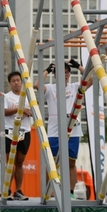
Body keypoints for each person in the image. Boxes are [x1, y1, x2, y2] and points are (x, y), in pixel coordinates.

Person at [34, 59, 86, 196]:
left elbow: (91, 79)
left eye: (67, 72)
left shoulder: (75, 87)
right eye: (61, 72)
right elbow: (37, 85)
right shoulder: (50, 88)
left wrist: (77, 65)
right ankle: (49, 192)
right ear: (55, 74)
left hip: (73, 130)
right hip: (54, 131)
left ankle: (70, 192)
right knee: (51, 163)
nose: (65, 75)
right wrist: (47, 70)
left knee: (71, 163)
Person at [3, 71, 33, 200]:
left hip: (24, 131)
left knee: (20, 162)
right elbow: (4, 112)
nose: (16, 83)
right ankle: (7, 190)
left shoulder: (28, 96)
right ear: (10, 83)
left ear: (21, 82)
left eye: (18, 80)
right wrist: (19, 109)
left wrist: (24, 112)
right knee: (10, 161)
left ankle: (18, 190)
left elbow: (32, 111)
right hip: (10, 131)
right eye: (13, 81)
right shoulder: (6, 97)